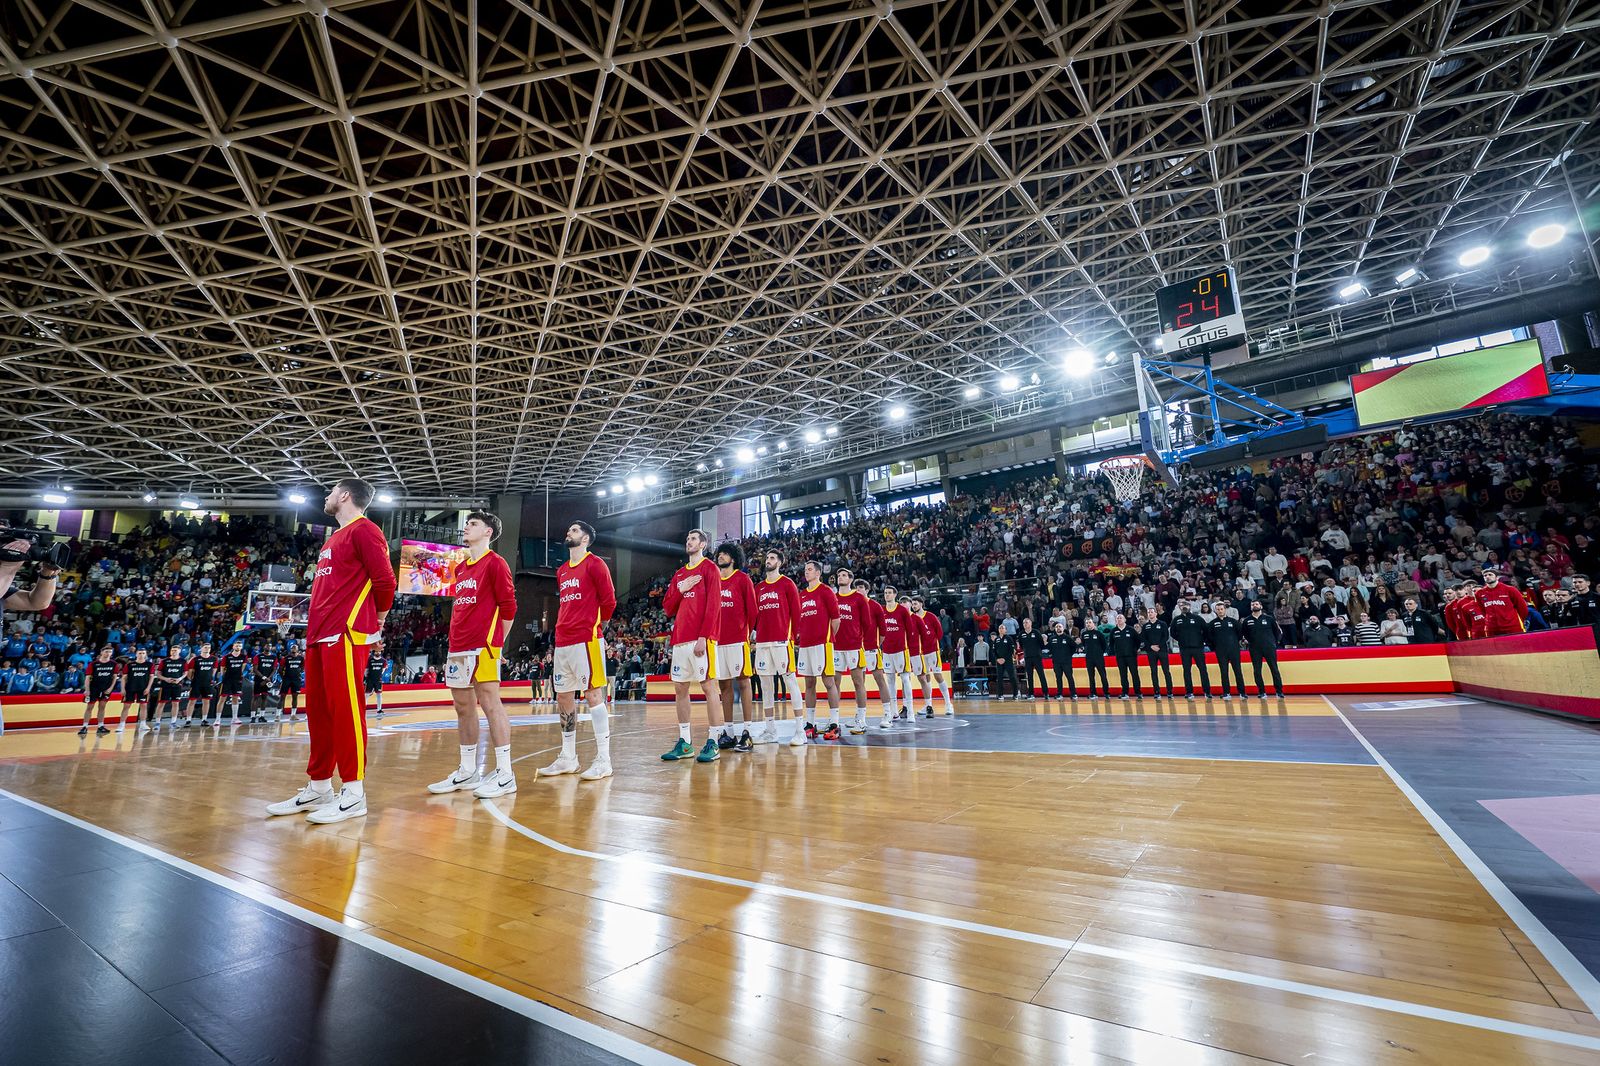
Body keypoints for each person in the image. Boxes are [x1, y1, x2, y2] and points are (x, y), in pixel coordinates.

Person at [266, 478, 396, 823]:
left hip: (346, 632)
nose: (326, 496)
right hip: (318, 634)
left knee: (347, 711)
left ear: (345, 495)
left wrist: (377, 620)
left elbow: (385, 580)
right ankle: (320, 785)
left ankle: (354, 792)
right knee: (319, 714)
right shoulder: (333, 538)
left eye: (331, 490)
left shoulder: (365, 531)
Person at [429, 510, 523, 796]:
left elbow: (509, 608)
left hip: (483, 645)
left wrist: (498, 645)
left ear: (488, 532)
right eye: (467, 523)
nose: (467, 527)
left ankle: (506, 774)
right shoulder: (461, 568)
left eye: (473, 524)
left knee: (490, 703)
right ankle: (467, 771)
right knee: (462, 706)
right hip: (458, 644)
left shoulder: (495, 563)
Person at [661, 529, 727, 763]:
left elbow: (714, 605)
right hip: (680, 639)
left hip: (701, 639)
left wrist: (704, 636)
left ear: (703, 544)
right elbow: (668, 607)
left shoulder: (710, 568)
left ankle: (714, 741)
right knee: (680, 689)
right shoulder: (679, 574)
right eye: (687, 538)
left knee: (709, 688)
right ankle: (685, 742)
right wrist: (681, 588)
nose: (688, 541)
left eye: (693, 539)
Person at [752, 549, 804, 745]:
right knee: (765, 686)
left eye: (772, 558)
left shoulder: (787, 584)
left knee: (790, 682)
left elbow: (796, 612)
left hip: (782, 640)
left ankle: (800, 730)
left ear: (780, 562)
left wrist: (794, 636)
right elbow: (755, 615)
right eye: (767, 558)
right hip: (763, 642)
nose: (768, 560)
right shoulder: (759, 587)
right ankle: (770, 730)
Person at [713, 543, 757, 751]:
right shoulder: (714, 580)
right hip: (718, 641)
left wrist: (748, 634)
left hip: (738, 640)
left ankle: (747, 732)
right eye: (719, 553)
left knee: (744, 682)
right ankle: (729, 732)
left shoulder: (742, 579)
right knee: (724, 686)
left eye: (725, 554)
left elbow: (753, 610)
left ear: (734, 558)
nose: (721, 556)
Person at [793, 560, 842, 741]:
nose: (807, 572)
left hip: (823, 644)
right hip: (806, 645)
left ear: (818, 573)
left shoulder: (826, 591)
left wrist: (827, 637)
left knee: (828, 682)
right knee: (809, 683)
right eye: (805, 570)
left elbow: (836, 620)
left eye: (810, 569)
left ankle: (835, 723)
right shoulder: (802, 595)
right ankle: (810, 723)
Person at [832, 567, 871, 734]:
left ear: (850, 579)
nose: (840, 577)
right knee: (834, 684)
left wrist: (857, 636)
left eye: (843, 575)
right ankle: (834, 721)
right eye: (839, 575)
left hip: (854, 646)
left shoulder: (858, 598)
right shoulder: (833, 598)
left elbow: (867, 623)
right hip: (836, 647)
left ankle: (861, 719)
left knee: (858, 682)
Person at [877, 585, 916, 727]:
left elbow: (911, 630)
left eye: (889, 593)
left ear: (895, 595)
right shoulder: (881, 610)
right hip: (886, 651)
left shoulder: (902, 610)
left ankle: (910, 712)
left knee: (905, 679)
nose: (887, 595)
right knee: (890, 680)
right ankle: (894, 712)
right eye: (885, 593)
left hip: (901, 650)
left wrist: (910, 650)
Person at [911, 593, 956, 716]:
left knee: (938, 675)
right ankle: (928, 705)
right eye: (912, 604)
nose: (914, 606)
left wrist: (933, 643)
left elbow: (940, 632)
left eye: (915, 604)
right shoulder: (912, 618)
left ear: (921, 604)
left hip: (932, 651)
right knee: (925, 679)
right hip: (920, 653)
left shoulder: (930, 616)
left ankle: (948, 704)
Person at [855, 578, 892, 725]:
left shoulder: (875, 606)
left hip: (871, 649)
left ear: (867, 590)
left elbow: (883, 631)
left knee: (880, 680)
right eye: (856, 588)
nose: (858, 590)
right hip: (857, 649)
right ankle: (860, 715)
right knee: (859, 683)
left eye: (861, 588)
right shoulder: (853, 604)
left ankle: (888, 714)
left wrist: (875, 645)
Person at [1242, 601, 1285, 697]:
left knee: (1274, 669)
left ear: (1261, 606)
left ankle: (1279, 691)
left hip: (1269, 648)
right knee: (1257, 671)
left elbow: (1278, 632)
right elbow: (1244, 634)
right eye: (1252, 605)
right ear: (1250, 607)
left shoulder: (1269, 619)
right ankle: (1261, 692)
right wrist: (1249, 641)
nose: (1254, 606)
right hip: (1254, 649)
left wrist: (1275, 643)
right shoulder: (1246, 620)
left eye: (1256, 604)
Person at [1171, 602, 1211, 699]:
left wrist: (1201, 640)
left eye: (1186, 605)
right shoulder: (1176, 620)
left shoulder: (1197, 618)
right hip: (1184, 649)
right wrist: (1181, 639)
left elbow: (1206, 630)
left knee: (1203, 669)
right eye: (1182, 606)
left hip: (1198, 648)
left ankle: (1207, 692)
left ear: (1190, 607)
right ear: (1179, 608)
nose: (1184, 607)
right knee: (1186, 670)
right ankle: (1189, 692)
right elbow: (1172, 633)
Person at [1475, 568, 1530, 637]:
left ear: (1497, 577)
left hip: (1512, 627)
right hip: (1492, 629)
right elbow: (1482, 610)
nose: (1487, 577)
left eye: (1490, 575)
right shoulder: (1479, 593)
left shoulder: (1510, 589)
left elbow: (1522, 608)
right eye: (1485, 575)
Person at [1208, 601, 1245, 699]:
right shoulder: (1212, 623)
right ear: (1215, 611)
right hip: (1221, 651)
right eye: (1218, 609)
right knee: (1224, 672)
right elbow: (1209, 638)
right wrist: (1215, 647)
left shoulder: (1233, 621)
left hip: (1234, 650)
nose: (1220, 611)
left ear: (1225, 610)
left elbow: (1240, 634)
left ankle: (1242, 693)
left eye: (1222, 609)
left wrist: (1234, 643)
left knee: (1238, 671)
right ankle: (1226, 693)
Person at [77, 646, 118, 737]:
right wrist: (87, 690)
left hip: (106, 689)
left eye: (110, 652)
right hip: (94, 688)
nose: (108, 653)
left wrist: (111, 688)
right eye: (106, 651)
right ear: (102, 652)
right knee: (89, 707)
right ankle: (84, 727)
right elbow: (87, 678)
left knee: (102, 707)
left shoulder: (114, 664)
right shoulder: (94, 664)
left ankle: (100, 726)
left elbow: (114, 677)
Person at [1140, 608, 1174, 697]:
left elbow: (1166, 636)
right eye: (1148, 612)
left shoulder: (1162, 624)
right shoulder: (1145, 626)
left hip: (1162, 650)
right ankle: (1156, 691)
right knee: (1153, 671)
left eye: (1151, 612)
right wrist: (1151, 646)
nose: (1150, 613)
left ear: (1156, 613)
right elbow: (1143, 638)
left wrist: (1158, 645)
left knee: (1166, 671)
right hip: (1151, 652)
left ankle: (1170, 691)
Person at [183, 641, 218, 726]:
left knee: (206, 701)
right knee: (192, 701)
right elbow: (189, 672)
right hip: (196, 683)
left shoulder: (214, 659)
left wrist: (210, 678)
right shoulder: (195, 659)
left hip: (207, 683)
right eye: (205, 647)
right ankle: (188, 720)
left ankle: (204, 719)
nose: (207, 649)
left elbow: (214, 670)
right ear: (201, 648)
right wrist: (192, 679)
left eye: (209, 648)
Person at [152, 646, 187, 730]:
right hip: (165, 685)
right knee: (161, 704)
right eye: (172, 650)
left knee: (176, 703)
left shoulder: (183, 661)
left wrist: (179, 679)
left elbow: (185, 672)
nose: (173, 651)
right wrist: (165, 679)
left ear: (179, 651)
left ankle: (173, 723)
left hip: (177, 685)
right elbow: (158, 673)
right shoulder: (164, 661)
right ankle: (157, 723)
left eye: (175, 650)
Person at [121, 647, 154, 733]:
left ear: (146, 655)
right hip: (130, 688)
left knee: (143, 706)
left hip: (143, 688)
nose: (141, 655)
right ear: (136, 654)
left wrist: (148, 688)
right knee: (126, 706)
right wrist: (122, 688)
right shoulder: (129, 665)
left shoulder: (149, 665)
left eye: (143, 653)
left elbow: (151, 677)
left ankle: (143, 724)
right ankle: (121, 725)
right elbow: (124, 678)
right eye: (139, 653)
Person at [1109, 615, 1141, 699]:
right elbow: (1111, 644)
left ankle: (1138, 692)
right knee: (1123, 675)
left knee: (1135, 674)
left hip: (1131, 656)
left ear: (1125, 620)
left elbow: (1138, 641)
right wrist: (1114, 652)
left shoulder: (1131, 630)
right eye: (1117, 618)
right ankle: (1125, 693)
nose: (1119, 619)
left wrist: (1135, 650)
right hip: (1120, 657)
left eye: (1120, 618)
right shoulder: (1114, 631)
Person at [1016, 616, 1046, 702]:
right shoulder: (1021, 634)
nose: (1025, 624)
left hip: (1037, 657)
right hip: (1027, 658)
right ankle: (1031, 693)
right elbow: (1021, 646)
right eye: (1024, 623)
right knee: (1029, 676)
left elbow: (1041, 644)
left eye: (1027, 622)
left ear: (1030, 623)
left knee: (1041, 675)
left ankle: (1045, 693)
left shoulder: (1036, 632)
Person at [219, 641, 249, 726]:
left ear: (241, 647)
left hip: (237, 680)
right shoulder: (227, 657)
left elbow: (243, 667)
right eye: (236, 645)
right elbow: (222, 668)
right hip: (227, 680)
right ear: (233, 646)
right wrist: (224, 677)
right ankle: (218, 719)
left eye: (239, 646)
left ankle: (234, 718)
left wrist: (239, 675)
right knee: (222, 699)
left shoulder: (244, 657)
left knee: (235, 698)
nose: (238, 647)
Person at [1046, 621, 1077, 699]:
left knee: (1070, 677)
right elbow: (1049, 648)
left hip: (1066, 662)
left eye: (1060, 626)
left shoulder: (1068, 638)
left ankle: (1073, 694)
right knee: (1058, 678)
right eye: (1056, 627)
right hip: (1056, 662)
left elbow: (1074, 647)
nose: (1058, 628)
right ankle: (1059, 694)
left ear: (1063, 628)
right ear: (1055, 629)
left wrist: (1069, 655)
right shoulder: (1052, 638)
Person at [1080, 621, 1109, 698]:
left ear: (1093, 624)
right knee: (1091, 676)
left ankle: (1106, 692)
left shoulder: (1099, 633)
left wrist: (1099, 653)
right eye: (1087, 623)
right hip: (1089, 657)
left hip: (1098, 657)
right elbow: (1083, 644)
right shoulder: (1084, 634)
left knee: (1103, 675)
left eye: (1090, 623)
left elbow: (1104, 645)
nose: (1088, 624)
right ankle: (1093, 693)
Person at [991, 626, 1019, 700]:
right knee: (999, 678)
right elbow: (993, 651)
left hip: (1008, 661)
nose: (1001, 629)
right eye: (1000, 628)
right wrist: (997, 659)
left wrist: (1004, 658)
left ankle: (1015, 694)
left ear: (1006, 630)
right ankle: (1000, 694)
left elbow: (1011, 650)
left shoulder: (1009, 638)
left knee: (1012, 677)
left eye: (1003, 628)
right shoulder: (996, 639)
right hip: (999, 662)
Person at [280, 639, 306, 722]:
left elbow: (302, 667)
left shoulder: (301, 658)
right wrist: (283, 677)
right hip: (287, 679)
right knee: (282, 696)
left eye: (295, 648)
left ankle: (293, 715)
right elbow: (280, 669)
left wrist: (299, 673)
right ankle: (277, 715)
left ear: (298, 649)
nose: (293, 649)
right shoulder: (286, 658)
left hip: (296, 680)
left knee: (295, 697)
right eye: (292, 648)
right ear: (290, 649)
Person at [364, 641, 388, 717]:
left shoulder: (384, 661)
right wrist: (366, 678)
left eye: (379, 651)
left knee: (379, 695)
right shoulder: (369, 660)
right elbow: (366, 670)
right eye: (376, 651)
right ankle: (363, 709)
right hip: (370, 679)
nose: (377, 653)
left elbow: (383, 670)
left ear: (381, 652)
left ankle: (379, 710)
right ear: (374, 652)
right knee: (366, 694)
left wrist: (379, 676)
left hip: (378, 680)